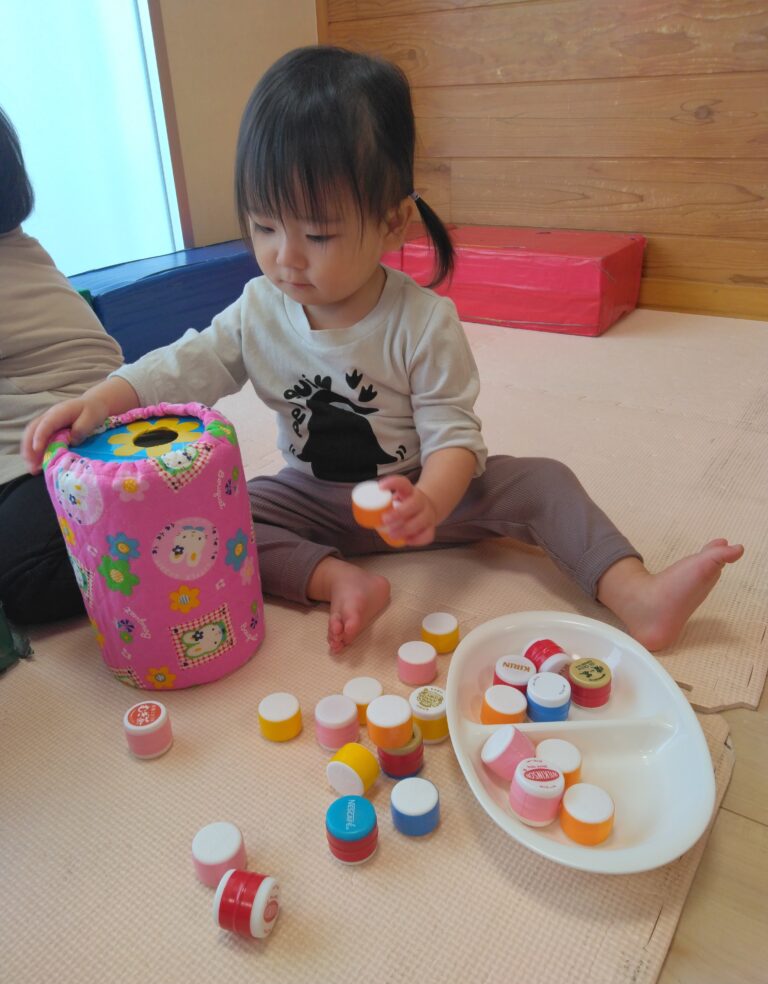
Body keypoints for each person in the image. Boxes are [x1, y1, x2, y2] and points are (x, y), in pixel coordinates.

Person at [22, 46, 743, 653]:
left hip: (426, 490)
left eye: (319, 234)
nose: (285, 257)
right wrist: (103, 400)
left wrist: (427, 500)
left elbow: (454, 436)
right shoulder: (257, 309)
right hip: (311, 498)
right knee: (220, 518)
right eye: (265, 226)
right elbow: (188, 363)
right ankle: (338, 579)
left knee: (544, 483)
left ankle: (636, 594)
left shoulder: (422, 322)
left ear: (394, 223)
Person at [0, 106, 123, 625]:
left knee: (19, 576)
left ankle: (150, 548)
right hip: (90, 432)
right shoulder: (25, 247)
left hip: (67, 445)